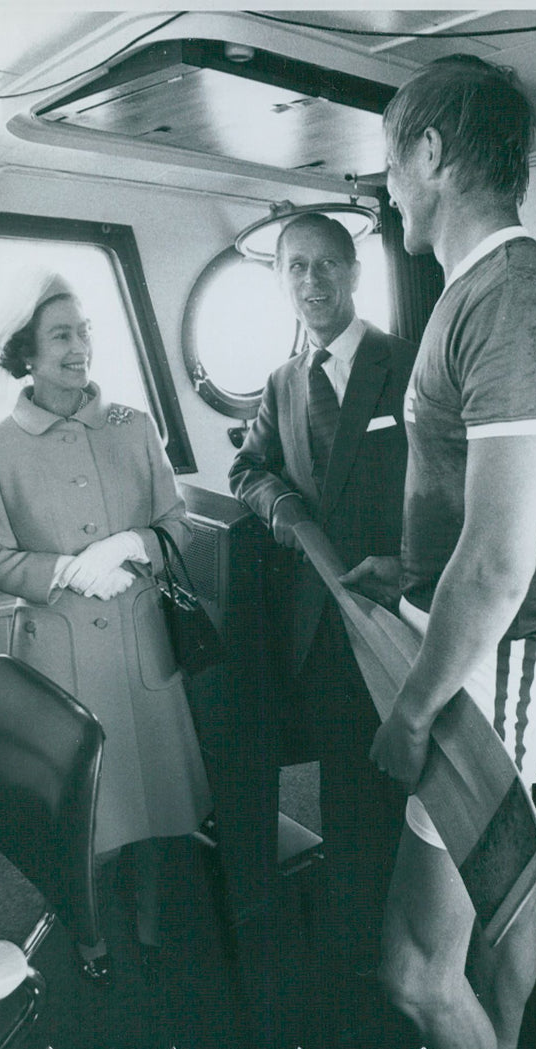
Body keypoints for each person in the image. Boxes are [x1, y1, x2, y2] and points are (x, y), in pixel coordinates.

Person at [340, 56, 536, 1049]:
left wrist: (411, 713)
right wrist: (403, 566)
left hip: (493, 660)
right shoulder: (498, 294)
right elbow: (485, 513)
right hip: (499, 650)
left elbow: (499, 561)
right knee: (500, 897)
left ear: (427, 151)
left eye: (388, 162)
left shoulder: (512, 300)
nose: (388, 189)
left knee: (414, 967)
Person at [0, 271, 212, 984]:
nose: (79, 349)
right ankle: (86, 930)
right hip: (61, 653)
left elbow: (177, 524)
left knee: (154, 803)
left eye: (85, 331)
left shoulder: (135, 426)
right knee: (78, 811)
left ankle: (153, 919)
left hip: (140, 645)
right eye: (61, 336)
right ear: (27, 353)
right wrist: (66, 570)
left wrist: (131, 545)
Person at [228, 213, 416, 962]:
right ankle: (356, 943)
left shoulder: (407, 364)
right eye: (297, 268)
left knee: (401, 788)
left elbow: (450, 486)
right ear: (281, 280)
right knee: (347, 786)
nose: (313, 282)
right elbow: (247, 468)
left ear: (355, 273)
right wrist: (280, 506)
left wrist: (411, 564)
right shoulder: (280, 382)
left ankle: (408, 934)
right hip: (318, 621)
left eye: (328, 266)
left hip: (397, 614)